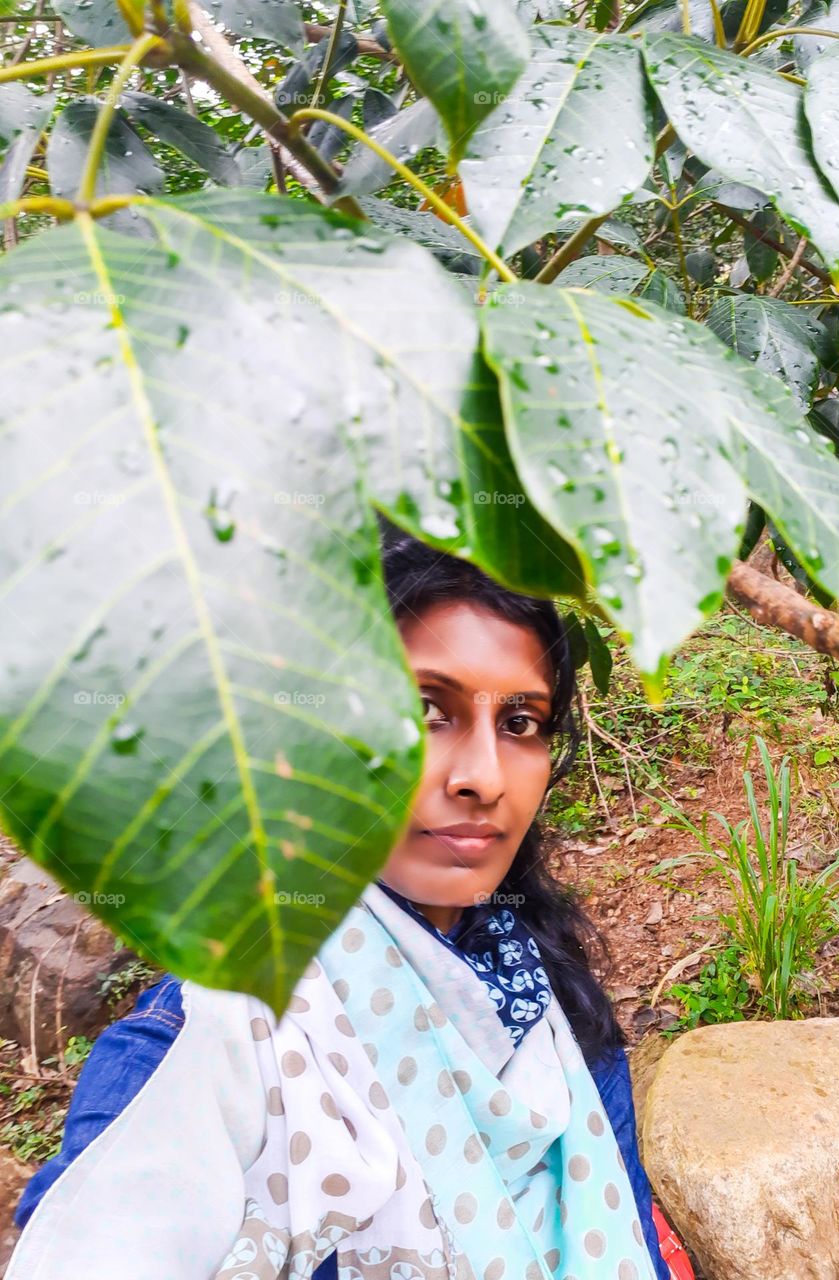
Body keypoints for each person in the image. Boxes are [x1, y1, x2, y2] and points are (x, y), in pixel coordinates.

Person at [9, 521, 692, 1280]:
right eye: (427, 710)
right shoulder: (214, 1044)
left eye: (520, 723)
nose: (484, 777)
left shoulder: (548, 996)